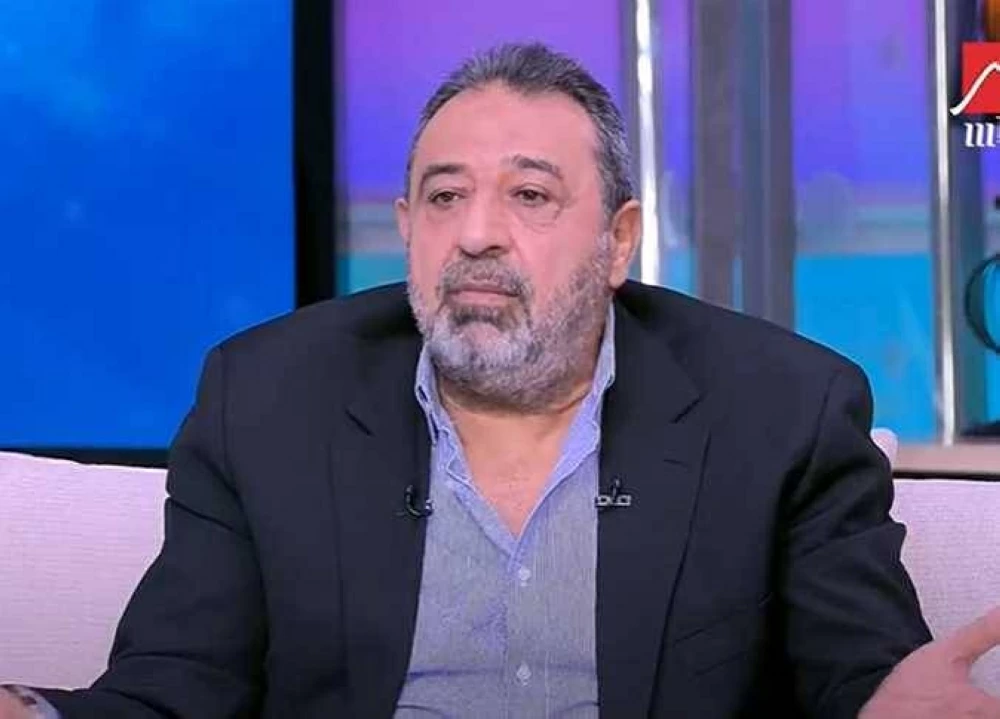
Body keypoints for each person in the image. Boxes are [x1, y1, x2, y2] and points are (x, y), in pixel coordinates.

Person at [3, 42, 999, 719]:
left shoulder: (781, 410)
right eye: (445, 196)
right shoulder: (264, 399)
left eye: (529, 194)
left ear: (617, 241)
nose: (476, 231)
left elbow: (864, 681)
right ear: (406, 228)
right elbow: (174, 691)